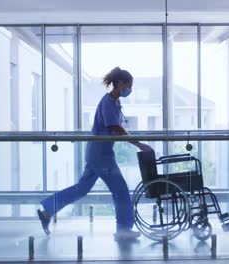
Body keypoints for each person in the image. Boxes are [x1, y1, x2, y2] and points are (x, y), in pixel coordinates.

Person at [38, 67, 152, 240]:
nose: (130, 89)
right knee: (120, 190)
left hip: (97, 153)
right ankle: (123, 230)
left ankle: (47, 211)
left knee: (81, 189)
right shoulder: (107, 103)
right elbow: (116, 128)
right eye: (129, 85)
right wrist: (139, 144)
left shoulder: (114, 102)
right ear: (120, 83)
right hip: (101, 156)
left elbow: (117, 128)